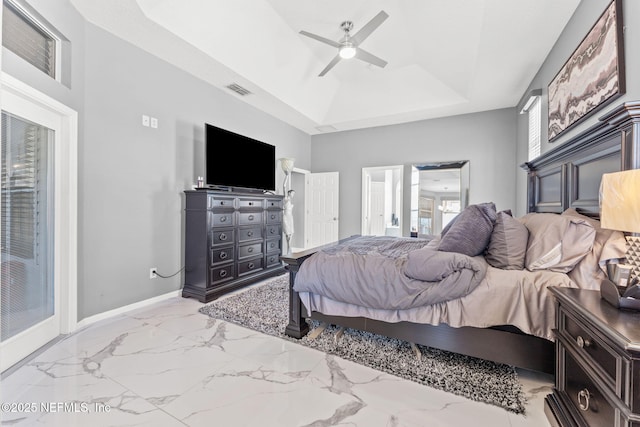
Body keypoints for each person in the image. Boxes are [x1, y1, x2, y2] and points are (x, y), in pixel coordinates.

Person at [283, 189, 295, 253]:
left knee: (291, 233)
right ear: (289, 193)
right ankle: (288, 249)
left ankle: (289, 247)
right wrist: (286, 178)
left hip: (290, 217)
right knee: (287, 234)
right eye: (292, 193)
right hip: (286, 217)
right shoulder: (286, 199)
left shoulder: (289, 200)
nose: (293, 195)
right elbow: (284, 186)